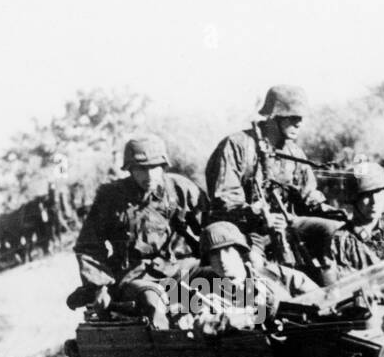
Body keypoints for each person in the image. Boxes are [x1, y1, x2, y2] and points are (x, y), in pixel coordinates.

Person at [71, 135, 206, 328]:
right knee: (154, 304)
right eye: (141, 169)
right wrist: (99, 286)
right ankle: (174, 343)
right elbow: (88, 245)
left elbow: (211, 226)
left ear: (163, 166)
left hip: (178, 267)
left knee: (227, 284)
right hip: (135, 276)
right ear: (130, 169)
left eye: (154, 167)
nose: (149, 175)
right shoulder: (111, 197)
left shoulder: (180, 189)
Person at [204, 85, 336, 266]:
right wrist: (257, 214)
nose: (299, 123)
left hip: (285, 225)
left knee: (332, 233)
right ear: (274, 117)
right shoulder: (237, 145)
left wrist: (334, 213)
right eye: (293, 118)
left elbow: (308, 194)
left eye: (300, 118)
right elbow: (225, 200)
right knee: (255, 264)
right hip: (244, 231)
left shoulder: (294, 152)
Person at [181, 221, 317, 332]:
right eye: (214, 254)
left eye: (227, 250)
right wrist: (248, 317)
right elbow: (204, 323)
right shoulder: (209, 295)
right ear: (209, 261)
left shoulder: (279, 276)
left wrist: (281, 306)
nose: (222, 259)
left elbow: (321, 299)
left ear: (240, 252)